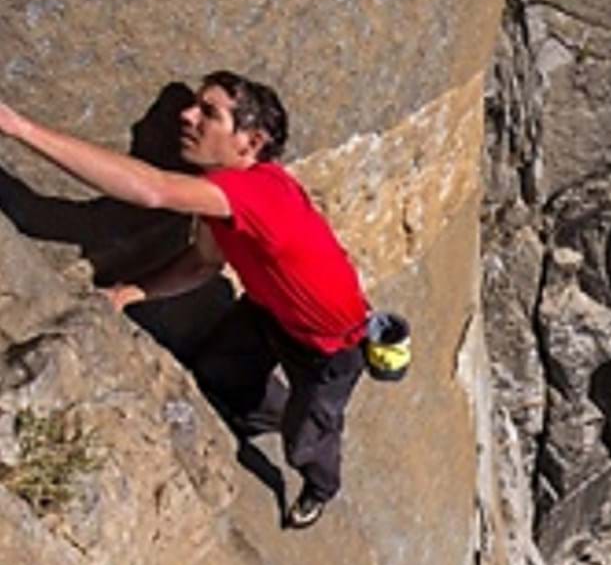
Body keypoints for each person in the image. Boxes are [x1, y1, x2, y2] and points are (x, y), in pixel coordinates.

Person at [0, 71, 369, 529]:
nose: (187, 116)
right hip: (268, 310)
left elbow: (152, 189)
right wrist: (130, 294)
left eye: (208, 113)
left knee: (306, 439)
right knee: (219, 370)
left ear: (250, 142)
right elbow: (201, 264)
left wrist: (19, 128)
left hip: (329, 346)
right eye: (194, 105)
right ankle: (271, 413)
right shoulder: (220, 196)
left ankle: (319, 486)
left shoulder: (257, 191)